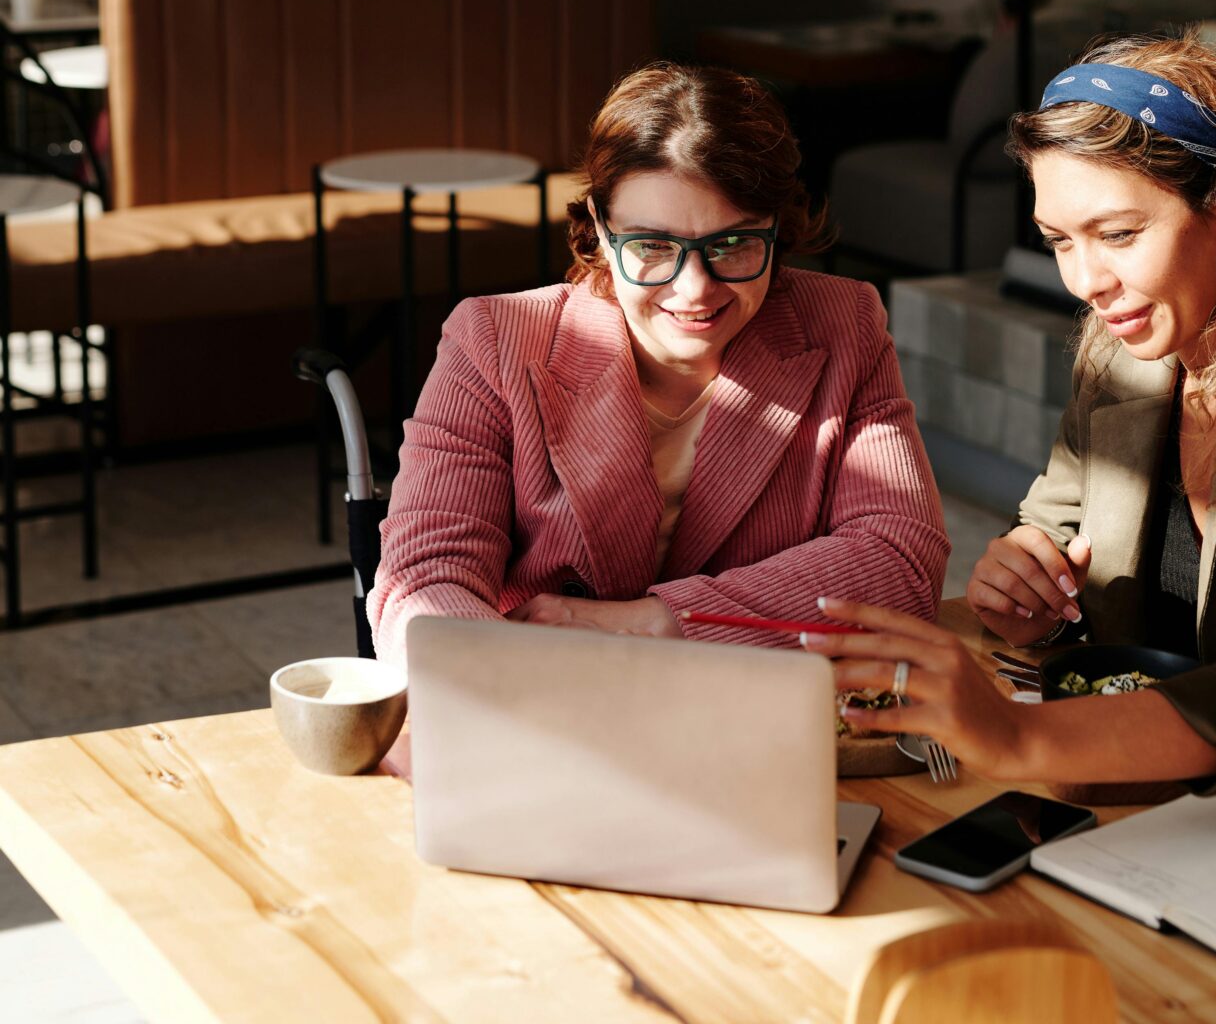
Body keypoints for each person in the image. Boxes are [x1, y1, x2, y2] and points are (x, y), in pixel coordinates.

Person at [814, 32, 1216, 795]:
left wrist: (1022, 737)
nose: (1085, 282)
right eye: (1057, 242)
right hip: (1165, 804)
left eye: (1117, 235)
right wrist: (1030, 590)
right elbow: (1053, 529)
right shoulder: (1123, 362)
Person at [369, 62, 948, 665]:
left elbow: (901, 561)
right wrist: (510, 673)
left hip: (754, 711)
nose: (695, 289)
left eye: (733, 243)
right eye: (651, 246)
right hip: (548, 700)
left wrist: (656, 622)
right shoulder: (494, 341)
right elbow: (423, 579)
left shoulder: (844, 323)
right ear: (599, 224)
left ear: (779, 228)